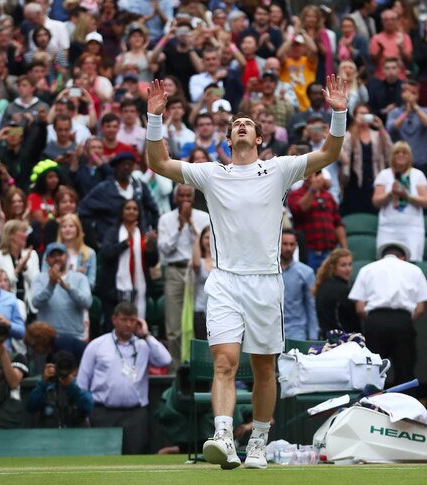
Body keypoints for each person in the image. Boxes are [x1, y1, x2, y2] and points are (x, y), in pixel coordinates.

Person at [144, 74, 347, 469]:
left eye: (248, 124)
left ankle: (258, 440)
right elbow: (158, 162)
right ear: (228, 139)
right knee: (224, 361)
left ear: (258, 140)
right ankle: (222, 435)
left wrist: (338, 113)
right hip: (223, 281)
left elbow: (329, 155)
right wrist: (155, 120)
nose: (240, 126)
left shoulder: (280, 169)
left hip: (267, 283)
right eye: (235, 123)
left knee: (263, 367)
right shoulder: (211, 173)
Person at [76, 301, 171, 454]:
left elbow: (165, 360)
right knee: (103, 459)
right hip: (103, 412)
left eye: (132, 320)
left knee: (136, 457)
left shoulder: (143, 346)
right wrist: (86, 414)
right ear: (114, 319)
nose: (128, 324)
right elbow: (82, 383)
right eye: (124, 320)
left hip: (135, 414)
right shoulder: (97, 345)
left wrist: (146, 335)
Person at [349, 241, 427, 388]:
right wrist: (405, 321)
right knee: (405, 372)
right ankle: (405, 408)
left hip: (375, 321)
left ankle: (370, 406)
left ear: (382, 256)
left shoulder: (367, 269)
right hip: (403, 321)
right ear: (403, 257)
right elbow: (420, 308)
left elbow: (360, 308)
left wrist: (374, 320)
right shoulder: (414, 270)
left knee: (372, 372)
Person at [157, 184, 209, 365]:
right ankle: (177, 370)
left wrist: (192, 226)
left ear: (193, 199)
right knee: (174, 325)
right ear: (175, 199)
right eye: (182, 196)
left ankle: (199, 365)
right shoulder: (165, 219)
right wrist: (179, 227)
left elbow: (208, 245)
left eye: (189, 196)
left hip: (200, 272)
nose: (185, 200)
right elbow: (163, 250)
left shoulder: (204, 218)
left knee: (199, 322)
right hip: (175, 270)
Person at [78, 151, 160, 248]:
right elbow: (83, 210)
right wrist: (95, 236)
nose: (126, 167)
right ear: (116, 167)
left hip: (139, 241)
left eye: (130, 164)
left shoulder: (139, 186)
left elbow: (154, 209)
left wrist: (155, 230)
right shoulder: (104, 189)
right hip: (112, 242)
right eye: (123, 164)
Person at [98, 199, 157, 326]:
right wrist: (126, 242)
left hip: (139, 288)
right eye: (128, 208)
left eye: (135, 209)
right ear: (122, 212)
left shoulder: (143, 233)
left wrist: (151, 248)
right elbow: (106, 254)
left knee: (137, 326)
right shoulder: (113, 232)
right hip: (114, 290)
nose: (131, 211)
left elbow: (153, 262)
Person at [372, 141, 427, 261]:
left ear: (410, 156)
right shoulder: (384, 174)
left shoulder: (418, 175)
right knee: (386, 262)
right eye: (397, 153)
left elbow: (426, 201)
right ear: (392, 156)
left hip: (412, 228)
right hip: (388, 228)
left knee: (412, 261)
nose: (401, 155)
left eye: (405, 153)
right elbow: (376, 201)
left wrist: (407, 196)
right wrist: (390, 193)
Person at [287, 169, 347, 272]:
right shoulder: (296, 194)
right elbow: (300, 208)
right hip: (308, 252)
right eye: (314, 173)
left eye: (319, 173)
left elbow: (337, 224)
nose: (317, 176)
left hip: (329, 252)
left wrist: (344, 249)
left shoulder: (328, 196)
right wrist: (313, 189)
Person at [31, 242, 93, 340]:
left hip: (74, 336)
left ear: (67, 256)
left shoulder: (80, 278)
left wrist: (68, 288)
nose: (57, 258)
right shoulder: (39, 279)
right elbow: (35, 303)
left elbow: (87, 303)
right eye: (52, 256)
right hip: (46, 336)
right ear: (47, 260)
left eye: (60, 255)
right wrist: (51, 285)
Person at [27, 350, 94, 428]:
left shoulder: (81, 386)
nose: (64, 371)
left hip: (76, 435)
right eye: (60, 367)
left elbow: (89, 407)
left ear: (76, 370)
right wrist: (43, 383)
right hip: (50, 435)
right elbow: (31, 407)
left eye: (67, 368)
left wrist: (72, 385)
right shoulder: (47, 388)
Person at [0, 220, 40, 317]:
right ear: (10, 235)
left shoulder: (32, 254)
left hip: (29, 307)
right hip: (6, 306)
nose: (26, 235)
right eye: (22, 232)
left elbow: (36, 282)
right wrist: (17, 270)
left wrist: (25, 267)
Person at [279, 230, 318, 341]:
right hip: (270, 330)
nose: (289, 248)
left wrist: (313, 335)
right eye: (285, 244)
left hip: (296, 330)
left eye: (292, 244)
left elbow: (311, 305)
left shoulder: (306, 272)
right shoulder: (268, 272)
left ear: (296, 246)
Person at [313, 248, 360, 335]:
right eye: (343, 265)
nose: (348, 269)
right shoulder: (342, 290)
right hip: (341, 341)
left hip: (326, 339)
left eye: (350, 265)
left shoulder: (323, 284)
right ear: (333, 267)